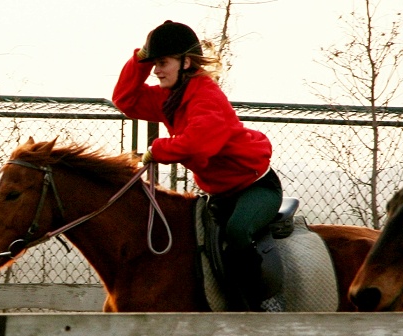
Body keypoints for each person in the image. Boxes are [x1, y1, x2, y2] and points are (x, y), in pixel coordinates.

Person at [112, 20, 283, 311]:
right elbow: (125, 100)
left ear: (186, 62)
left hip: (254, 188)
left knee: (238, 232)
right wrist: (140, 58)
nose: (156, 70)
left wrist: (157, 148)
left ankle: (265, 302)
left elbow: (197, 144)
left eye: (162, 62)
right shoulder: (171, 97)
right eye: (154, 63)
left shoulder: (206, 97)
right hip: (219, 192)